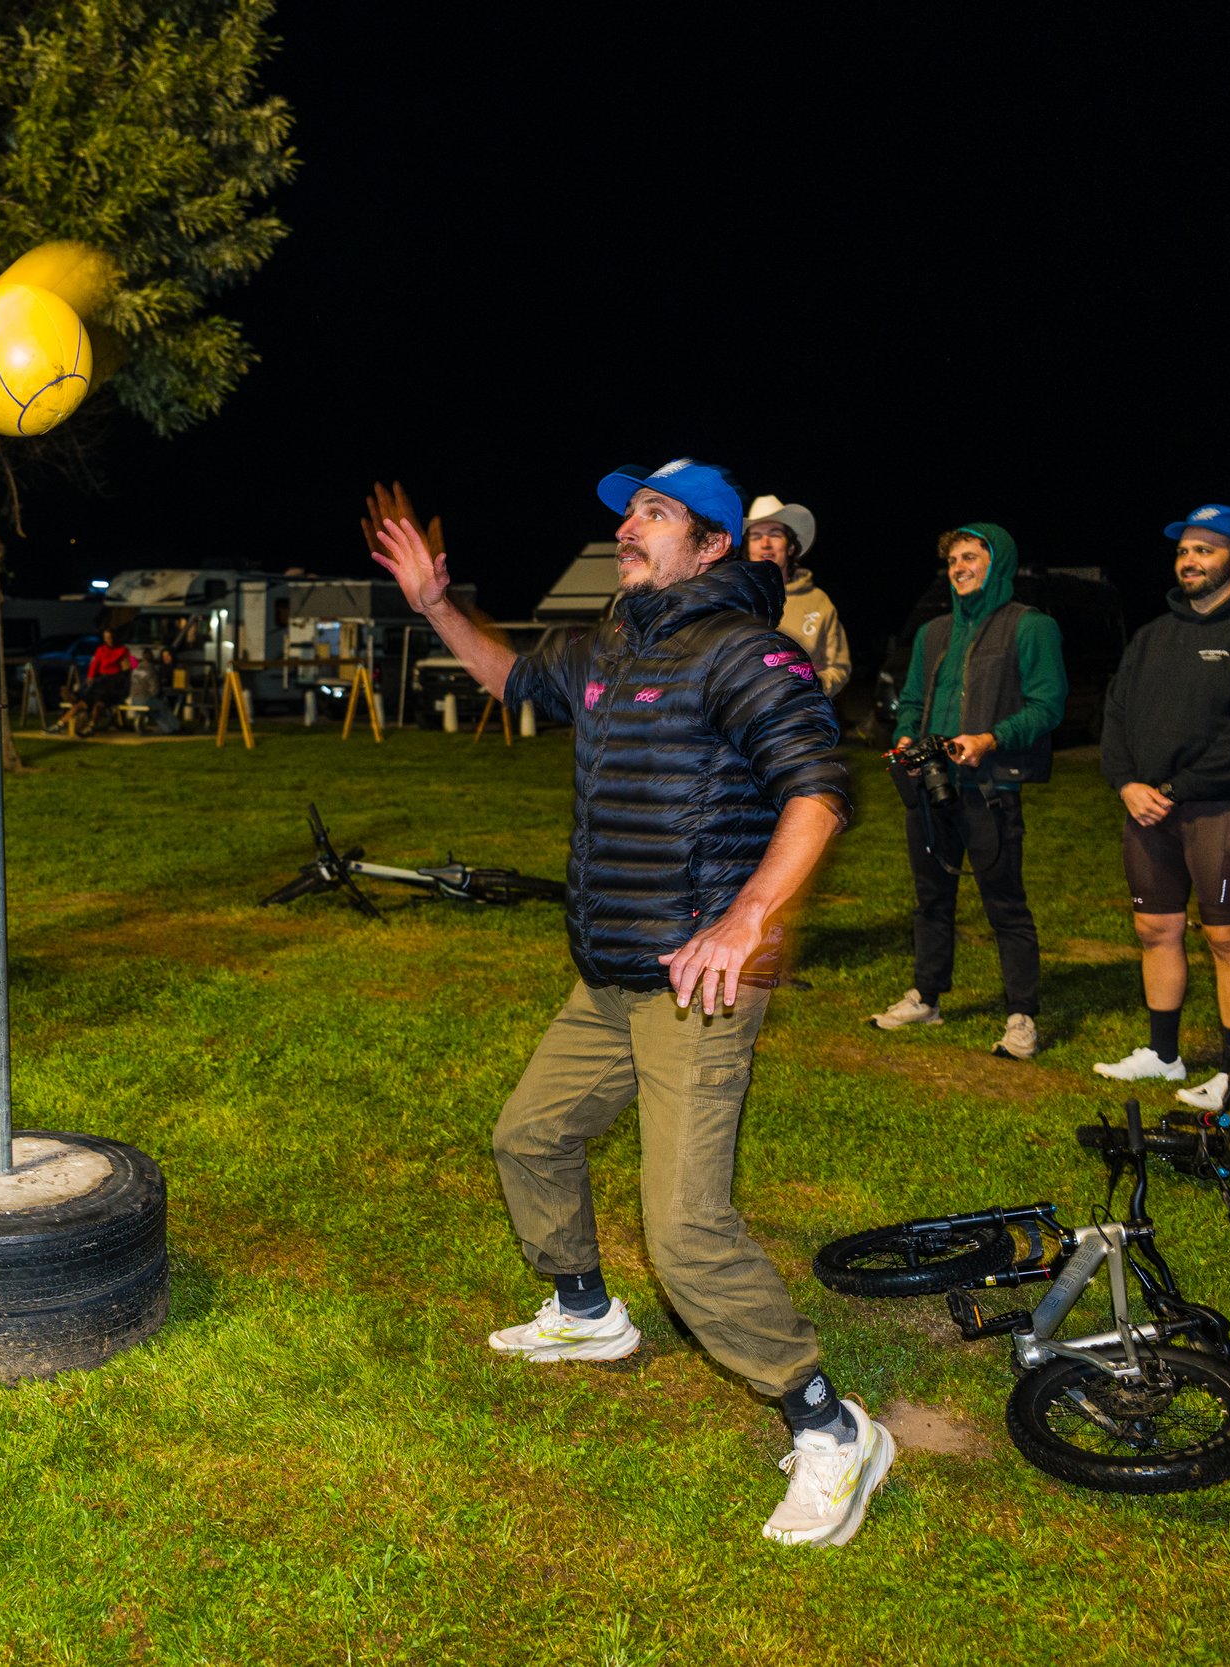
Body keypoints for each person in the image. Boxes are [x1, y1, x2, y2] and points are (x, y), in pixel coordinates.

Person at [372, 457, 894, 1549]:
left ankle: (830, 1422)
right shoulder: (612, 640)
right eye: (626, 511)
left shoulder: (749, 652)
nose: (628, 527)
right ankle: (584, 1312)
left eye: (654, 513)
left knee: (686, 1229)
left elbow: (818, 787)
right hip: (606, 976)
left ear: (711, 545)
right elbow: (513, 679)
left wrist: (748, 916)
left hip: (696, 985)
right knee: (529, 1134)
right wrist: (433, 606)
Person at [1094, 505, 1230, 1110]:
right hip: (1147, 807)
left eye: (1205, 551)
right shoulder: (1154, 635)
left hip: (1226, 807)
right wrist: (1125, 782)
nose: (1190, 561)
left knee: (1227, 936)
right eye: (1184, 550)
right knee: (1154, 926)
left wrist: (1175, 789)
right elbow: (1115, 712)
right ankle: (1164, 1056)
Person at [869, 524, 1066, 1060]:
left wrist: (990, 739)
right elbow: (910, 700)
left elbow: (1048, 706)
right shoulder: (933, 633)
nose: (959, 567)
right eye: (953, 559)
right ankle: (926, 996)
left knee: (1005, 904)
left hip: (990, 788)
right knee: (931, 899)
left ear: (997, 561)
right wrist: (908, 735)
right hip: (931, 790)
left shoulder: (1031, 627)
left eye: (971, 556)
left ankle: (1021, 1014)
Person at [743, 494, 851, 698]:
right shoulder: (731, 599)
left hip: (801, 721)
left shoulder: (819, 601)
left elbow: (839, 667)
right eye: (756, 536)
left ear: (790, 547)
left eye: (774, 534)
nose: (765, 544)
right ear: (748, 549)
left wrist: (812, 685)